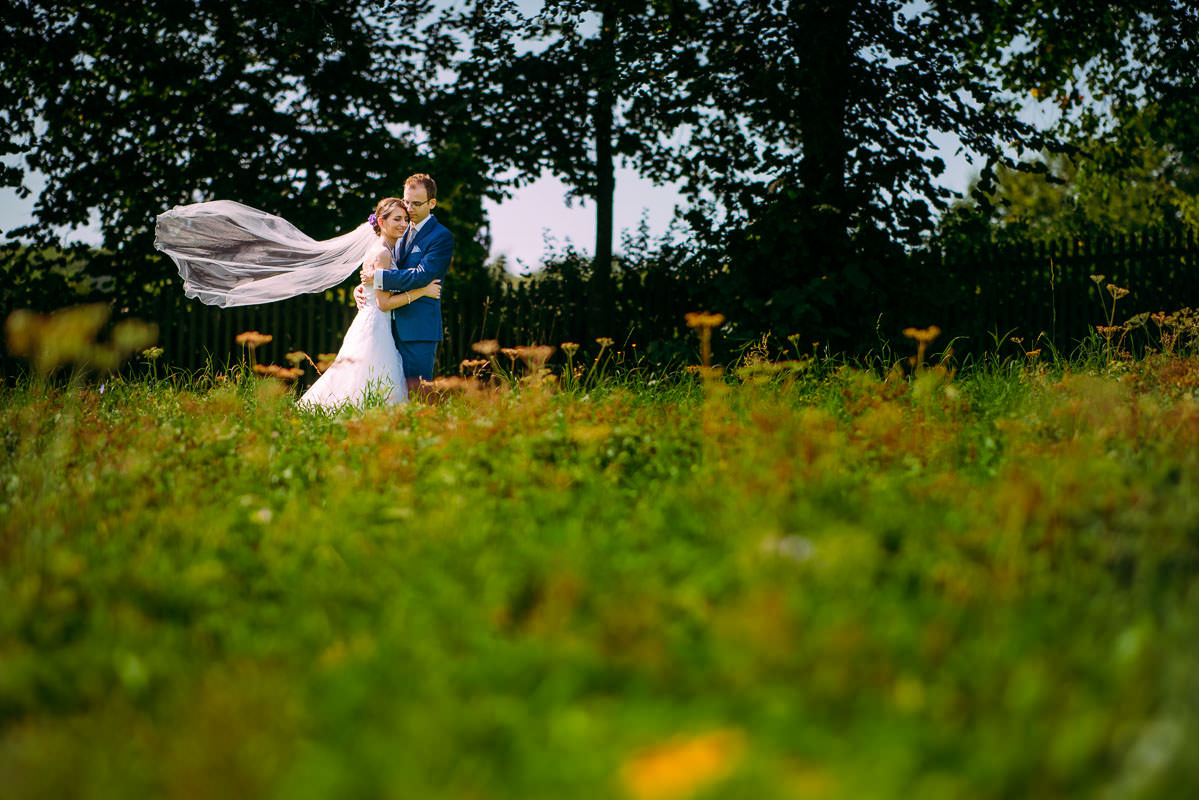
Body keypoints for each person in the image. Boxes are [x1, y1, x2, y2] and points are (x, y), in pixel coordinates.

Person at [300, 198, 441, 409]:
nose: (403, 224)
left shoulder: (386, 250)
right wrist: (422, 291)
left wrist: (360, 289)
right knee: (371, 380)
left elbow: (372, 287)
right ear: (382, 223)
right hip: (376, 327)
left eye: (405, 219)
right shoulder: (383, 253)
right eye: (397, 219)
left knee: (360, 381)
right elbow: (383, 303)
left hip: (374, 323)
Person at [356, 173, 454, 397]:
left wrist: (378, 278)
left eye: (416, 203)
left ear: (432, 203)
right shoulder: (400, 229)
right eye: (406, 201)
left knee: (418, 394)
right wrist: (363, 288)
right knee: (391, 394)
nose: (408, 208)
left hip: (418, 329)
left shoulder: (441, 237)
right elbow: (379, 263)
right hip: (388, 328)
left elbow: (422, 276)